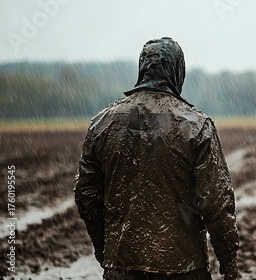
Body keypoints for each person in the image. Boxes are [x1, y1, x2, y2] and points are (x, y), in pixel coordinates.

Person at [74, 37, 239, 280]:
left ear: (142, 70)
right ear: (177, 72)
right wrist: (229, 265)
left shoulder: (102, 124)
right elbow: (216, 202)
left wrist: (105, 250)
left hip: (122, 265)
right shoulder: (197, 126)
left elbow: (86, 194)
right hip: (184, 267)